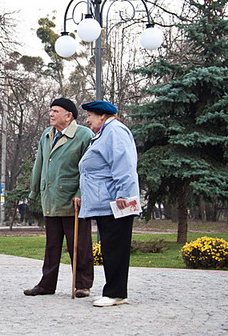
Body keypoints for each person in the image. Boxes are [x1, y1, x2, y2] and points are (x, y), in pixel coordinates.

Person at [24, 98, 94, 298]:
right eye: (50, 111)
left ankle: (82, 285)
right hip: (51, 198)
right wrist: (34, 191)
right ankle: (46, 284)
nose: (51, 114)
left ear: (68, 115)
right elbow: (40, 163)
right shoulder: (47, 134)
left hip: (73, 200)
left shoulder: (84, 135)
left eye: (55, 111)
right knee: (52, 245)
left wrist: (81, 194)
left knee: (79, 244)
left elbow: (88, 169)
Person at [77, 100, 139, 307]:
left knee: (115, 247)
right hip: (108, 201)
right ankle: (113, 290)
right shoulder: (105, 133)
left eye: (90, 116)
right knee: (111, 247)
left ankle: (116, 293)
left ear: (102, 115)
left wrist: (123, 194)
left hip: (116, 201)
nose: (87, 120)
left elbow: (124, 165)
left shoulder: (115, 131)